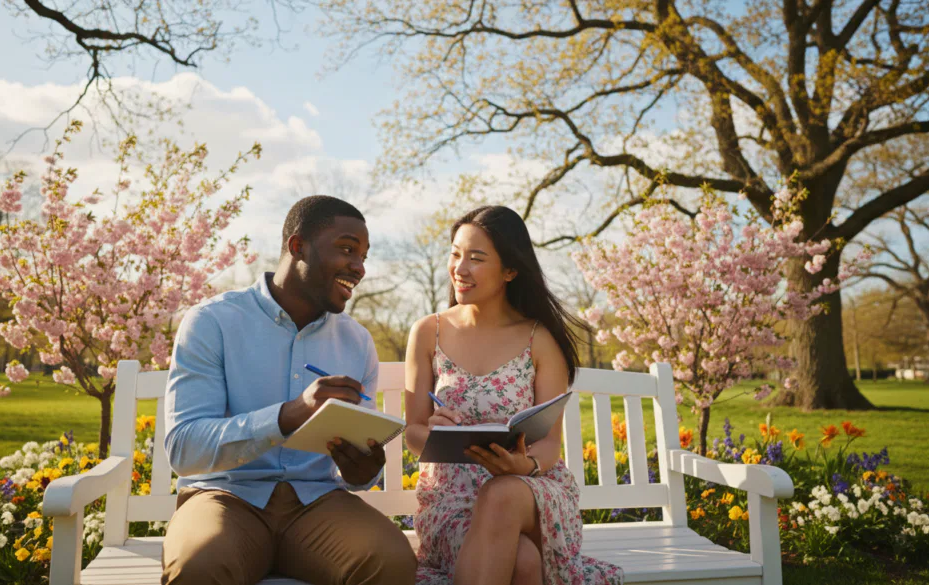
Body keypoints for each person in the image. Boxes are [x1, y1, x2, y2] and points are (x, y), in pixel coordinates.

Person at [161, 195, 417, 585]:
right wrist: (290, 413)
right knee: (200, 566)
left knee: (392, 560)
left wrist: (362, 469)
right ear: (298, 247)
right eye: (347, 249)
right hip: (224, 498)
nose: (359, 267)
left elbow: (355, 471)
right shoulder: (212, 322)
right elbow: (184, 449)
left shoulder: (357, 342)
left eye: (364, 256)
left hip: (318, 504)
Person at [404, 206, 624, 585]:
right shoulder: (428, 332)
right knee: (522, 563)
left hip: (530, 490)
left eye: (476, 258)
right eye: (455, 254)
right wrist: (434, 432)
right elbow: (412, 433)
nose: (460, 267)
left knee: (503, 493)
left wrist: (525, 467)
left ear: (510, 270)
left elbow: (550, 444)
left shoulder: (538, 339)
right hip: (453, 504)